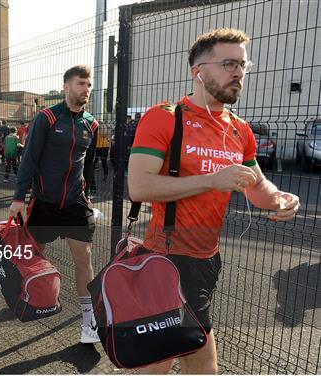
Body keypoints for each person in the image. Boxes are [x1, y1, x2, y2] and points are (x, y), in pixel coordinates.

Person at [128, 28, 300, 374]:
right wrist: (213, 180)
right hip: (166, 257)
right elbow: (139, 186)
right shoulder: (166, 116)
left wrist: (278, 198)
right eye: (228, 64)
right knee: (167, 361)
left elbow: (256, 184)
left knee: (189, 360)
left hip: (206, 261)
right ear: (199, 71)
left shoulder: (239, 128)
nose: (238, 72)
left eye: (243, 65)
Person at [8, 65, 100, 344]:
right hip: (44, 203)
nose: (86, 89)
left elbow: (89, 164)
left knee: (83, 258)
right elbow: (29, 160)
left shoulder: (92, 124)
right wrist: (18, 199)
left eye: (89, 85)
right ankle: (29, 295)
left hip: (74, 204)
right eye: (81, 84)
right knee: (34, 255)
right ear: (66, 87)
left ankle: (88, 322)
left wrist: (89, 192)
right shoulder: (47, 118)